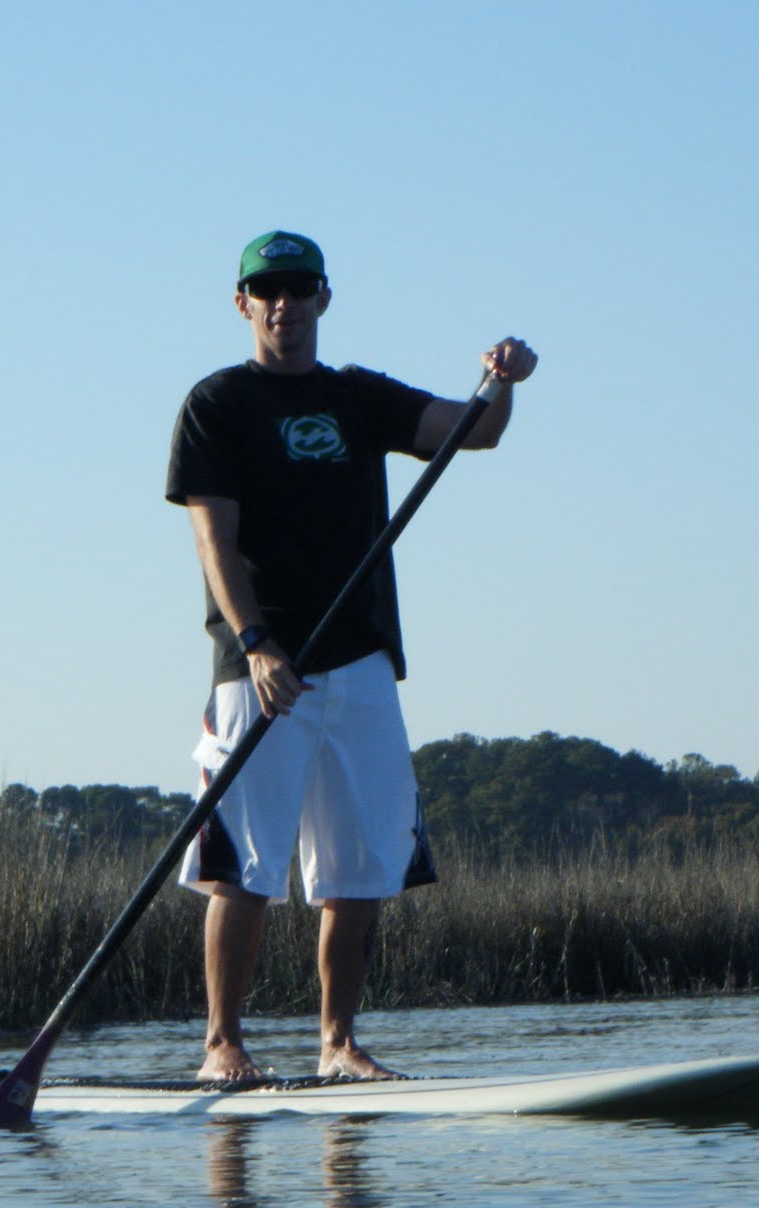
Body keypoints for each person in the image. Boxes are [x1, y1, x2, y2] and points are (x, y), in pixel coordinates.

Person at [165, 230, 538, 1083]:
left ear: (323, 299)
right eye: (269, 292)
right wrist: (255, 643)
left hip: (361, 663)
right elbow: (212, 539)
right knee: (245, 868)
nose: (285, 306)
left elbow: (474, 432)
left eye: (300, 290)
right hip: (261, 670)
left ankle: (338, 1045)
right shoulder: (218, 403)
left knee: (359, 869)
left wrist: (503, 382)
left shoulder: (357, 396)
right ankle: (223, 1045)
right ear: (243, 304)